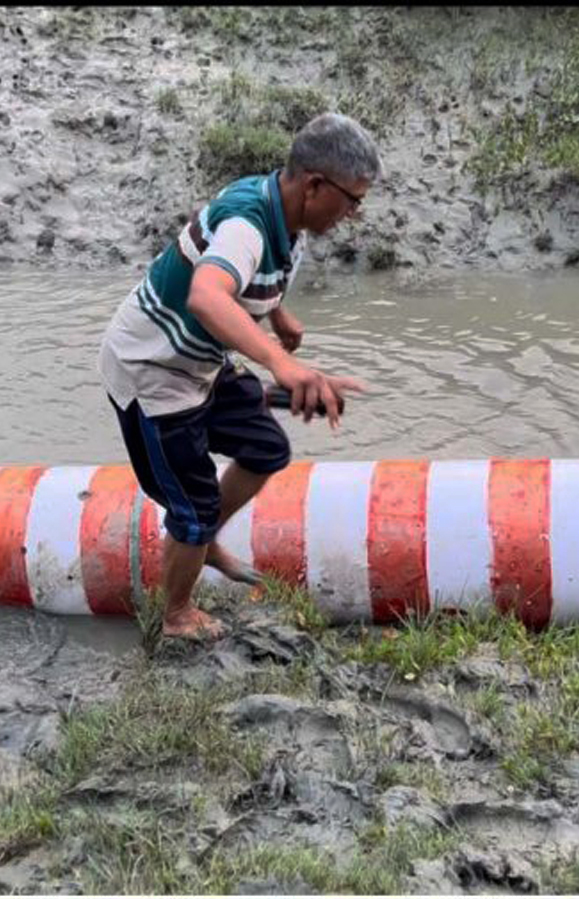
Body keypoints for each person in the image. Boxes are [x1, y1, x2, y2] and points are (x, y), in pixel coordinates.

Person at [99, 112, 380, 640]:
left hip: (203, 362)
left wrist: (277, 314)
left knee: (265, 446)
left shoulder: (286, 216)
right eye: (353, 201)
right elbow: (206, 295)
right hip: (153, 369)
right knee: (194, 503)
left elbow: (250, 276)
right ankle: (177, 614)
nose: (353, 214)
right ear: (316, 184)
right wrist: (282, 362)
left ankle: (202, 542)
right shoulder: (248, 222)